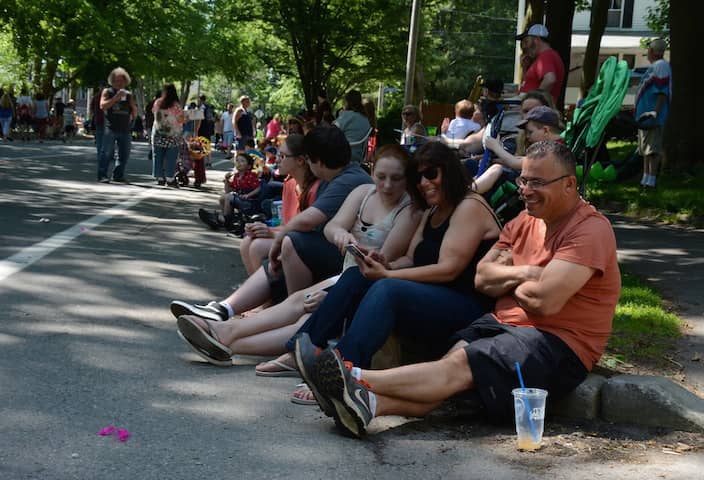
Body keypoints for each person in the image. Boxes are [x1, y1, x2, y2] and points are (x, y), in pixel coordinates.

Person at [303, 141, 621, 438]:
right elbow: (482, 279)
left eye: (538, 182)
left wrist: (507, 277)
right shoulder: (522, 221)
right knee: (445, 377)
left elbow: (544, 302)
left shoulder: (590, 230)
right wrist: (528, 272)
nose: (526, 190)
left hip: (557, 341)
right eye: (524, 180)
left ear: (569, 184)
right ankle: (367, 405)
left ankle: (353, 377)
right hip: (501, 323)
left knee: (455, 367)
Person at [283, 141, 502, 407]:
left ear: (450, 171)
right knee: (357, 276)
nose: (424, 182)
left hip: (468, 307)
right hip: (433, 297)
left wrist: (388, 277)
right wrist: (382, 264)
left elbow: (449, 269)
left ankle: (343, 369)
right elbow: (410, 258)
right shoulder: (432, 210)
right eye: (417, 177)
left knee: (388, 289)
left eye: (431, 173)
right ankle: (304, 346)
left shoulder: (469, 206)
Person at [174, 145, 425, 370]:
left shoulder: (410, 209)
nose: (388, 185)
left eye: (396, 178)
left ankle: (228, 339)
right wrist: (340, 235)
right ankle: (225, 332)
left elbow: (381, 262)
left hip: (368, 282)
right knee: (298, 302)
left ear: (408, 179)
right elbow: (332, 226)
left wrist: (334, 294)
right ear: (373, 174)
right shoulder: (363, 192)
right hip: (348, 276)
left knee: (306, 313)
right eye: (381, 177)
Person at [170, 126, 372, 321]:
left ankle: (287, 315)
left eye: (309, 160)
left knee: (290, 242)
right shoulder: (337, 177)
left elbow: (308, 220)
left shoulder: (346, 180)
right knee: (274, 243)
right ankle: (225, 309)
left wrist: (279, 239)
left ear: (317, 161)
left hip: (355, 263)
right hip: (343, 254)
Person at [240, 134, 321, 274]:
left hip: (303, 243)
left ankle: (266, 293)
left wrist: (271, 233)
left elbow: (307, 233)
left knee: (257, 246)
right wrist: (260, 229)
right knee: (247, 241)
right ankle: (259, 291)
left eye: (282, 156)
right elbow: (285, 224)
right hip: (289, 237)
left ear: (300, 160)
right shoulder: (289, 184)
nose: (277, 159)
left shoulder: (316, 189)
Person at [473, 103, 562, 194]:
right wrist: (496, 160)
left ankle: (470, 193)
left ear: (545, 130)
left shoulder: (553, 150)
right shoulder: (555, 146)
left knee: (497, 169)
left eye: (530, 132)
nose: (527, 136)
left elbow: (515, 163)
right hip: (539, 185)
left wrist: (495, 146)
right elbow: (523, 159)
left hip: (542, 190)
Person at [635, 38, 671, 189]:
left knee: (652, 149)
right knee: (645, 149)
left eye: (649, 50)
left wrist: (655, 112)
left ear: (652, 51)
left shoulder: (661, 66)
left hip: (652, 116)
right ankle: (645, 178)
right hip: (644, 116)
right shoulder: (655, 67)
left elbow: (662, 92)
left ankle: (651, 180)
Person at [99, 67, 138, 183]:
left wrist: (132, 104)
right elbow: (102, 106)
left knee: (124, 154)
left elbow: (135, 113)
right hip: (110, 127)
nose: (119, 83)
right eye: (117, 80)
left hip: (125, 128)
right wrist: (115, 98)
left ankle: (118, 175)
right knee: (106, 152)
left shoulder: (129, 94)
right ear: (112, 81)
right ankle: (102, 175)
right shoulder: (107, 92)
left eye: (122, 81)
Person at [516, 24, 565, 103]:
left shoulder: (546, 55)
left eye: (526, 42)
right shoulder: (542, 57)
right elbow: (528, 84)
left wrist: (534, 101)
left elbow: (550, 79)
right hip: (525, 105)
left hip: (531, 110)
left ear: (536, 39)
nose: (524, 46)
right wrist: (525, 68)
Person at [151, 84, 186, 186]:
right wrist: (185, 117)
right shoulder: (176, 105)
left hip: (158, 133)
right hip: (173, 135)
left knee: (158, 156)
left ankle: (160, 177)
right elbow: (180, 119)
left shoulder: (157, 102)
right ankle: (170, 178)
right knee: (171, 157)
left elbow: (154, 114)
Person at [334, 90, 371, 163]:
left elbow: (332, 131)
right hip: (358, 156)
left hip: (342, 154)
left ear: (347, 102)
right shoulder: (365, 119)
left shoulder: (347, 115)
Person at [90, 86, 105, 165]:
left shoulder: (95, 96)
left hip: (98, 119)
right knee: (106, 139)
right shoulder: (108, 96)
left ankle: (100, 156)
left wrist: (95, 114)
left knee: (100, 139)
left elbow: (91, 108)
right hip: (106, 120)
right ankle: (104, 156)